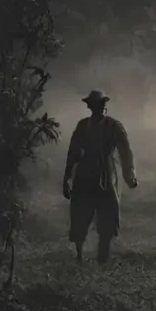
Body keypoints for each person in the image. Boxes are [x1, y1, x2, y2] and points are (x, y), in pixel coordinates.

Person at [63, 90, 137, 264]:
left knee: (108, 215)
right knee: (80, 213)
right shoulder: (83, 126)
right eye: (96, 104)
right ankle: (80, 256)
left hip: (106, 172)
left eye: (102, 104)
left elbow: (125, 151)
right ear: (90, 106)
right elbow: (73, 151)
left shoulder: (114, 126)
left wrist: (129, 175)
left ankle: (103, 257)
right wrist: (67, 176)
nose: (100, 107)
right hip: (86, 173)